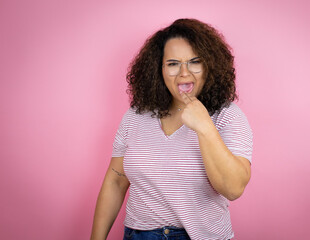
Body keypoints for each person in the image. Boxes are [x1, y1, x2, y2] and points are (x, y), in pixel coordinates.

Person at [91, 18, 253, 240]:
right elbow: (116, 180)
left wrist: (205, 126)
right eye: (173, 63)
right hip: (140, 235)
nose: (184, 73)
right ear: (159, 69)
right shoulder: (135, 116)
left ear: (209, 65)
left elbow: (233, 189)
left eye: (194, 61)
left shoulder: (227, 116)